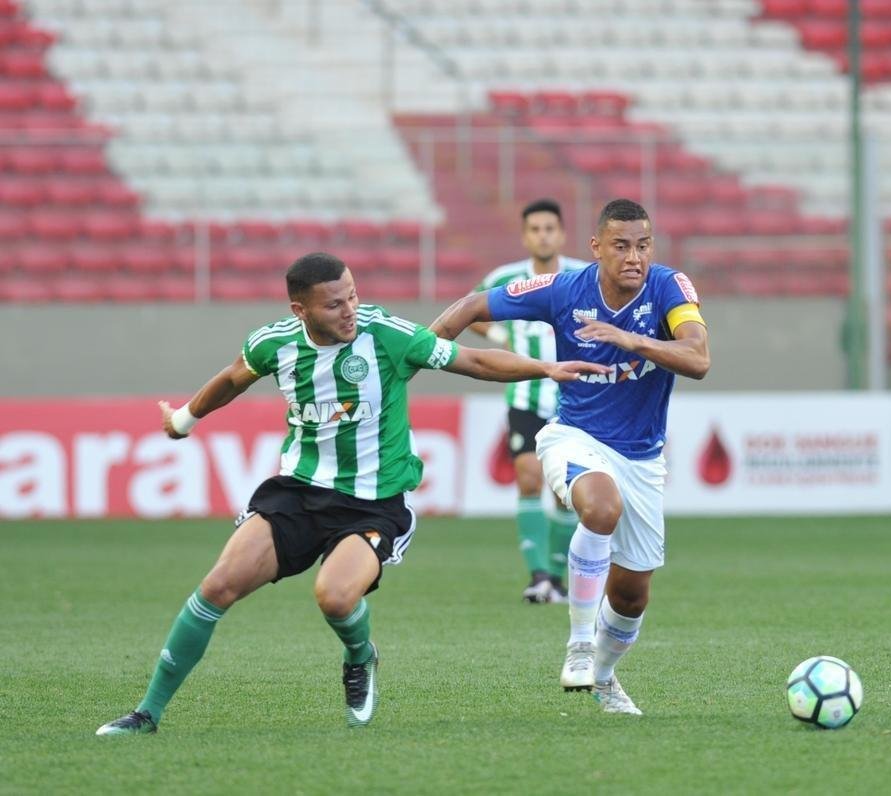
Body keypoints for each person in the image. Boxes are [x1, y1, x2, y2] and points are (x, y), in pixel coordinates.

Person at [96, 252, 606, 736]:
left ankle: (360, 657)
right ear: (301, 310)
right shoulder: (275, 343)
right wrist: (184, 420)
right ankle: (146, 714)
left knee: (335, 597)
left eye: (354, 296)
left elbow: (470, 359)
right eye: (334, 304)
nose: (350, 310)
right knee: (216, 587)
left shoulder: (386, 335)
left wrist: (547, 368)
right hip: (296, 492)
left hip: (375, 502)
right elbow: (233, 377)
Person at [431, 199, 710, 715]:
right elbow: (472, 306)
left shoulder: (670, 287)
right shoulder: (564, 289)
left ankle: (604, 677)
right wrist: (420, 352)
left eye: (644, 246)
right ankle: (579, 641)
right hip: (573, 435)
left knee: (631, 598)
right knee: (601, 508)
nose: (635, 257)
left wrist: (632, 340)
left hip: (643, 457)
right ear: (596, 248)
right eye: (622, 246)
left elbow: (698, 359)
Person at [470, 198, 590, 604]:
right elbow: (471, 310)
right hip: (524, 392)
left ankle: (557, 578)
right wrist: (498, 336)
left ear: (562, 233)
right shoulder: (505, 277)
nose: (543, 235)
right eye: (535, 229)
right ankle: (538, 574)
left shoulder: (581, 274)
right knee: (527, 478)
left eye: (549, 228)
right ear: (525, 236)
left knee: (563, 489)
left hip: (573, 397)